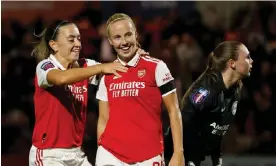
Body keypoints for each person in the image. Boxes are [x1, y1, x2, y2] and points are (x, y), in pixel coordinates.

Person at [29, 20, 129, 166]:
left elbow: (117, 70)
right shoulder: (45, 66)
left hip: (77, 155)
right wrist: (101, 68)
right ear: (54, 45)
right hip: (49, 155)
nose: (78, 44)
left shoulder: (85, 66)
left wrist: (135, 59)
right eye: (71, 39)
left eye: (79, 39)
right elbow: (62, 78)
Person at [96, 13, 184, 166]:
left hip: (148, 155)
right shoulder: (107, 74)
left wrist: (178, 153)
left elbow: (174, 110)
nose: (124, 42)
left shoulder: (157, 67)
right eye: (117, 37)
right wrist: (101, 147)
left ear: (136, 35)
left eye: (128, 35)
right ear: (110, 41)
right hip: (110, 154)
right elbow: (103, 118)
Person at [164, 41, 253, 166]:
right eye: (247, 57)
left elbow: (218, 130)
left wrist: (217, 161)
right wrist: (183, 158)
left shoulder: (235, 91)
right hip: (173, 156)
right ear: (232, 63)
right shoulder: (207, 90)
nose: (251, 61)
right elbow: (183, 125)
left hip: (196, 156)